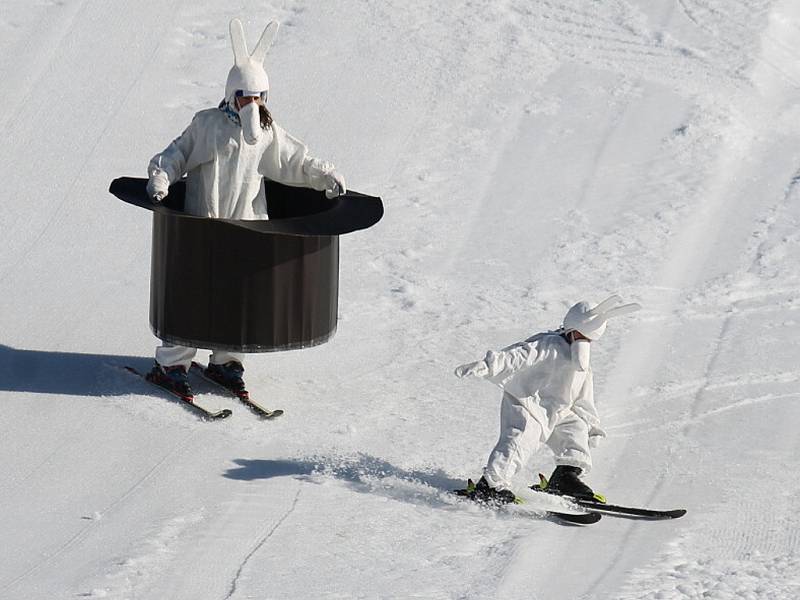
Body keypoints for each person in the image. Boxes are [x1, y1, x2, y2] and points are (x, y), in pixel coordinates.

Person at [144, 18, 346, 397]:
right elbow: (177, 154)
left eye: (258, 98)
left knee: (239, 297)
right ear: (231, 94)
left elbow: (294, 160)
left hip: (247, 228)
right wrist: (161, 177)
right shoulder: (208, 126)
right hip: (206, 225)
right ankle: (171, 363)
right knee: (197, 294)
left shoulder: (267, 134)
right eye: (244, 97)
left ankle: (226, 361)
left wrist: (325, 176)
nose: (251, 105)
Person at [454, 295, 641, 504]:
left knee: (576, 431)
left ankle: (565, 477)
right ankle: (491, 485)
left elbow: (583, 394)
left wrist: (592, 425)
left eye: (586, 338)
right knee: (520, 440)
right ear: (571, 327)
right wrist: (490, 365)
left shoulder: (582, 362)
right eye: (580, 335)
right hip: (529, 403)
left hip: (558, 410)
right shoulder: (548, 344)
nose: (582, 341)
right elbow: (519, 355)